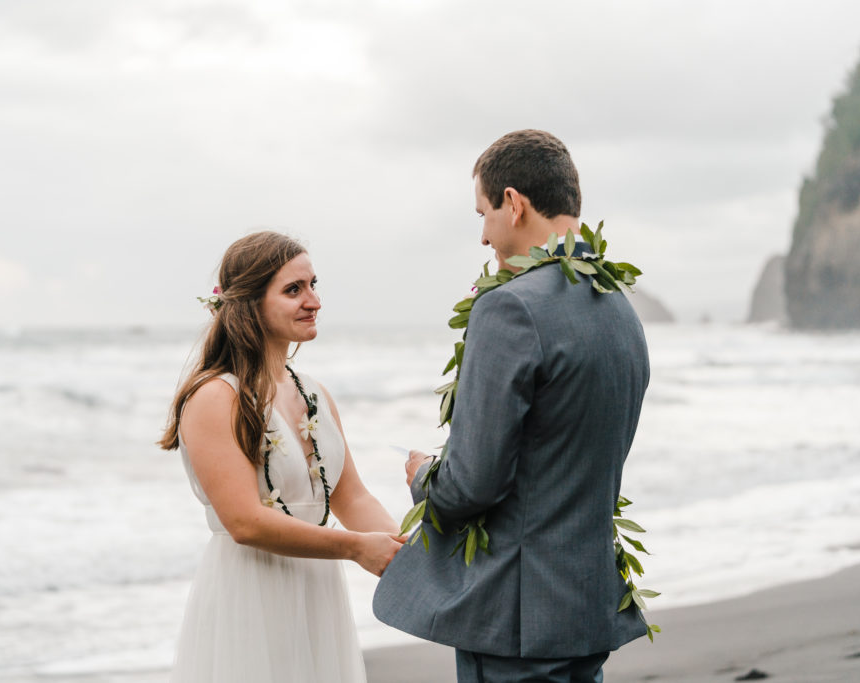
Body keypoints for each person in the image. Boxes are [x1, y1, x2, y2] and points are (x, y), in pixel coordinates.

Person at [373, 130, 650, 683]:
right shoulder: (620, 309)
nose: (483, 236)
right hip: (586, 603)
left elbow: (472, 484)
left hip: (516, 617)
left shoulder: (509, 309)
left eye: (484, 213)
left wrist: (423, 475)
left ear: (514, 202)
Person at [159, 231, 402, 683]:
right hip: (251, 593)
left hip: (318, 592)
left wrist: (408, 552)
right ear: (251, 304)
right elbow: (244, 522)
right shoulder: (216, 397)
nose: (314, 301)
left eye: (313, 285)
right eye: (294, 290)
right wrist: (354, 548)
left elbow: (352, 497)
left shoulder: (315, 393)